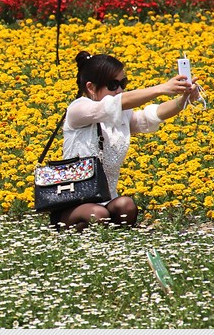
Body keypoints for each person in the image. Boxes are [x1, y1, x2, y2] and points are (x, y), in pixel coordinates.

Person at [50, 50, 201, 231]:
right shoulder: (78, 109)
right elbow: (112, 105)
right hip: (73, 202)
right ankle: (80, 234)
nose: (120, 90)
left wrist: (183, 100)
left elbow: (149, 117)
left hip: (105, 200)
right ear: (90, 87)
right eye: (113, 85)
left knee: (126, 206)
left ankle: (112, 239)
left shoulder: (121, 115)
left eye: (123, 83)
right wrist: (161, 88)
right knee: (98, 214)